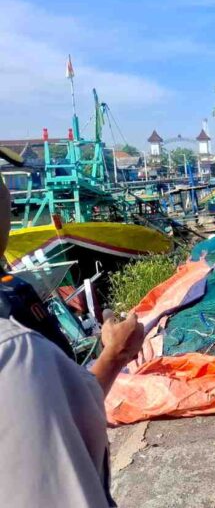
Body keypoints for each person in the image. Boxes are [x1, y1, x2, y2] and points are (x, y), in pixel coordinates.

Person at [0, 147, 146, 507]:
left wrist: (114, 355)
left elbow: (56, 400)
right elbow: (57, 478)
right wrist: (116, 354)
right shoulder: (14, 344)